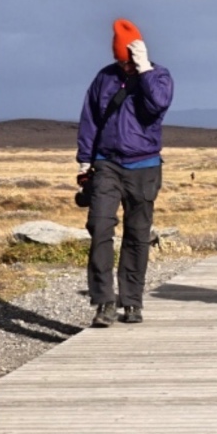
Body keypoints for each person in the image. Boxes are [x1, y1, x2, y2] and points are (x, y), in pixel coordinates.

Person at [76, 19, 174, 327]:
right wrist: (84, 160)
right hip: (107, 163)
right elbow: (90, 118)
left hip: (144, 166)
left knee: (137, 235)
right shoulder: (104, 78)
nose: (126, 65)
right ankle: (104, 302)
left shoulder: (159, 76)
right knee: (99, 227)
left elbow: (159, 103)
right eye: (123, 60)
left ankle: (132, 302)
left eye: (130, 59)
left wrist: (144, 69)